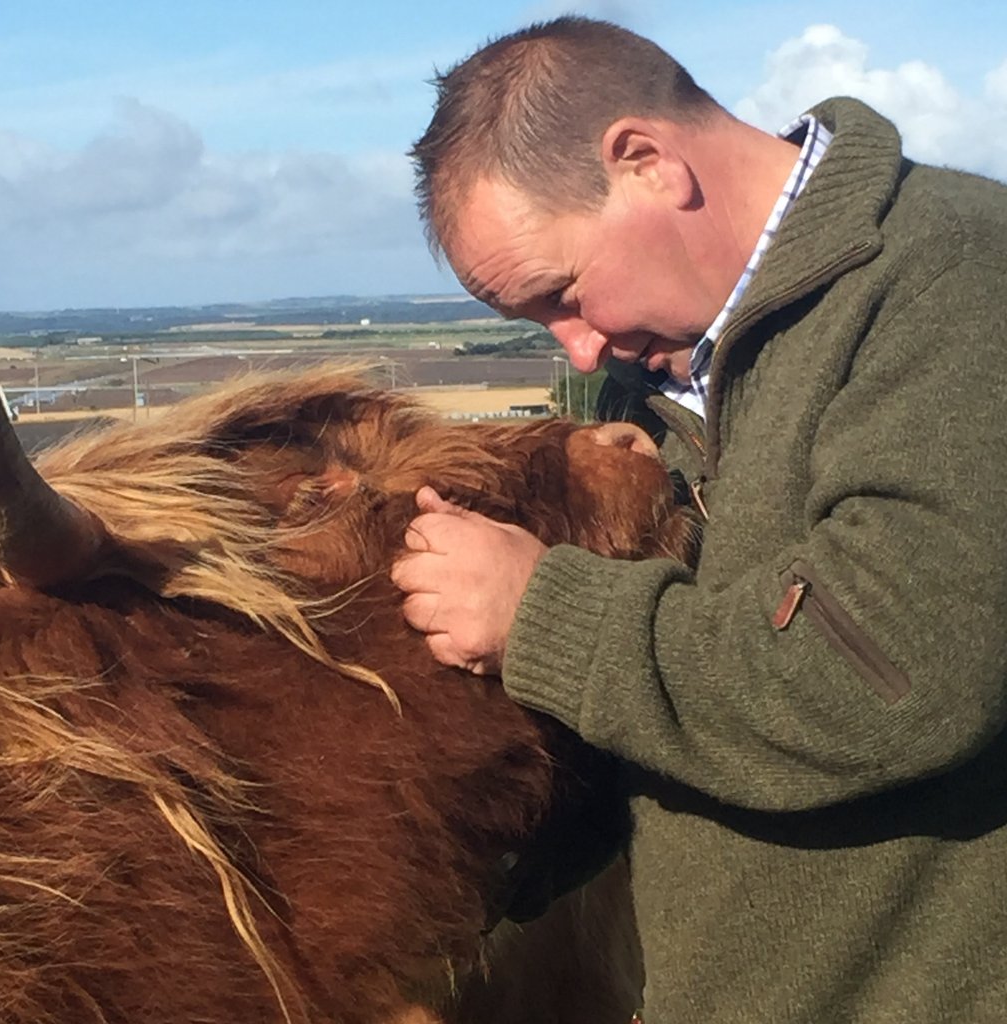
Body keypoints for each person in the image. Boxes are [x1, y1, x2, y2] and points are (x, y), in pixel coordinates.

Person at [391, 15, 1007, 1024]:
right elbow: (678, 729)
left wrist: (537, 612)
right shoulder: (663, 372)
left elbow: (899, 671)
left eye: (565, 293)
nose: (578, 352)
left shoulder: (952, 277)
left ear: (644, 162)